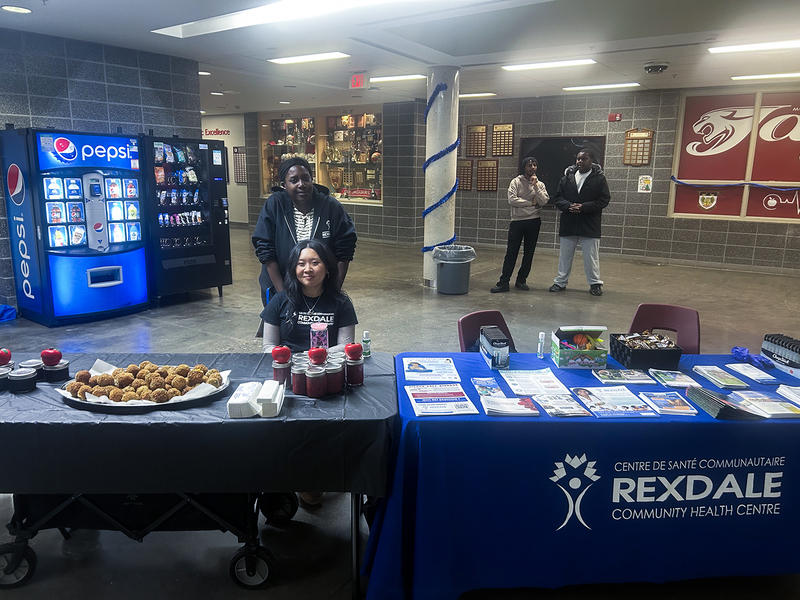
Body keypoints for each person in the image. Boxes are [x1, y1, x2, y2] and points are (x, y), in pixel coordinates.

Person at [252, 156, 357, 318]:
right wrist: (283, 297)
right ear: (284, 186)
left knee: (319, 332)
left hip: (319, 287)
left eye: (305, 178)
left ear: (312, 180)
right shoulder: (274, 205)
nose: (301, 184)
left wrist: (333, 290)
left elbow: (345, 249)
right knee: (283, 335)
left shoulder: (331, 206)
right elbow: (266, 250)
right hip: (278, 284)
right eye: (294, 180)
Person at [261, 239, 357, 354]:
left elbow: (345, 346)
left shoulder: (342, 303)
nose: (307, 269)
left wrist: (316, 356)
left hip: (327, 365)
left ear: (327, 268)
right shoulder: (279, 300)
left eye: (315, 263)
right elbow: (268, 346)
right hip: (288, 364)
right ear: (294, 269)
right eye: (301, 264)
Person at [548, 149, 610, 296]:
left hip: (589, 224)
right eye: (578, 159)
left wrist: (584, 207)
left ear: (591, 161)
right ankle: (560, 282)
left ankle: (595, 284)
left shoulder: (599, 179)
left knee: (591, 257)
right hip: (569, 223)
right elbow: (558, 198)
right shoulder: (567, 178)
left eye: (584, 159)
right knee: (565, 256)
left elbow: (603, 200)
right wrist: (569, 206)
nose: (580, 161)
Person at [490, 156, 550, 293]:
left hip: (534, 221)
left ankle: (521, 280)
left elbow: (544, 201)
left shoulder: (539, 184)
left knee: (529, 253)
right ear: (524, 167)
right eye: (529, 165)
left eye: (534, 165)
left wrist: (535, 187)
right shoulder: (516, 182)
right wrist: (531, 203)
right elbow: (512, 200)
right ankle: (504, 282)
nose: (532, 167)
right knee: (511, 252)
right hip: (517, 222)